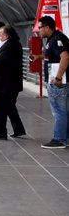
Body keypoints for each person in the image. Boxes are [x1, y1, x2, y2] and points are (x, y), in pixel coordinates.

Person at [32, 16, 69, 148]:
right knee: (64, 111)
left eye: (40, 27)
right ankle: (65, 137)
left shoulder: (57, 39)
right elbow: (53, 56)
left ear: (47, 28)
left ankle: (59, 139)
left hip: (58, 82)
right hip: (57, 80)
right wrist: (40, 57)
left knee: (59, 111)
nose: (39, 30)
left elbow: (65, 56)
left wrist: (58, 78)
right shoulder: (53, 39)